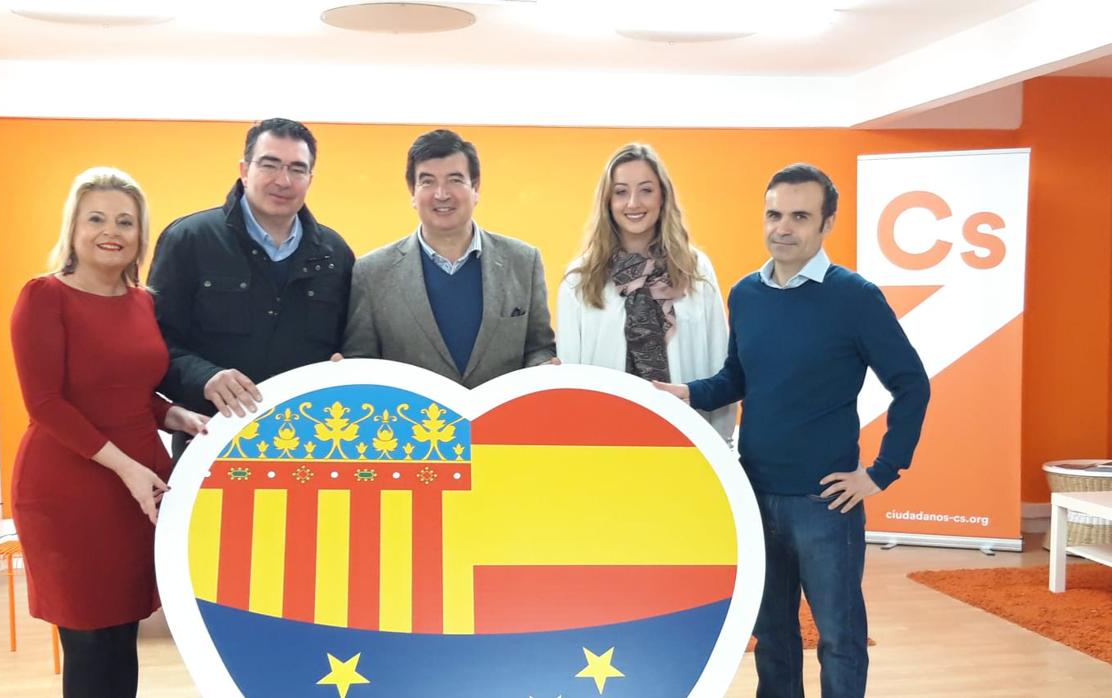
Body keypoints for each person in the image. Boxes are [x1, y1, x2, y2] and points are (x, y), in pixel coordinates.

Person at [655, 163, 930, 697]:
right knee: (773, 636)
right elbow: (738, 376)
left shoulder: (855, 297)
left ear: (827, 223)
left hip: (825, 504)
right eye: (774, 214)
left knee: (840, 637)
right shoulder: (746, 293)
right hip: (753, 493)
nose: (783, 227)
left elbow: (912, 384)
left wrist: (881, 472)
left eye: (800, 216)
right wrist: (688, 393)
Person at [11, 167, 209, 697]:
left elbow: (131, 391)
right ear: (73, 227)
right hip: (71, 491)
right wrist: (127, 467)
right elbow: (47, 404)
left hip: (138, 490)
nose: (112, 230)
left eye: (126, 221)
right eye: (96, 217)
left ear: (141, 234)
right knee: (89, 642)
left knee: (123, 634)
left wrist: (176, 416)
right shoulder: (43, 297)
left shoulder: (142, 302)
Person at [148, 118, 354, 455]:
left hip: (312, 446)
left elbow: (350, 344)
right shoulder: (189, 240)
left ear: (310, 179)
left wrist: (346, 363)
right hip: (211, 441)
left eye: (297, 169)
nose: (283, 180)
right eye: (270, 164)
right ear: (244, 170)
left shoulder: (335, 254)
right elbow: (155, 346)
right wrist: (204, 377)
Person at [342, 129, 555, 385]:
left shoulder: (523, 261)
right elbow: (361, 359)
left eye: (455, 180)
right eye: (427, 181)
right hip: (410, 421)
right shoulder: (372, 273)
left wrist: (543, 367)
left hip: (501, 422)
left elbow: (539, 347)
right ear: (412, 191)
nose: (441, 194)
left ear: (475, 188)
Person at [557, 143, 734, 442]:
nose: (633, 203)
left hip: (688, 442)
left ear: (662, 196)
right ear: (607, 201)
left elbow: (719, 360)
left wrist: (721, 444)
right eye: (621, 191)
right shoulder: (580, 278)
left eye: (646, 190)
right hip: (605, 443)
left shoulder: (695, 269)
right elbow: (571, 378)